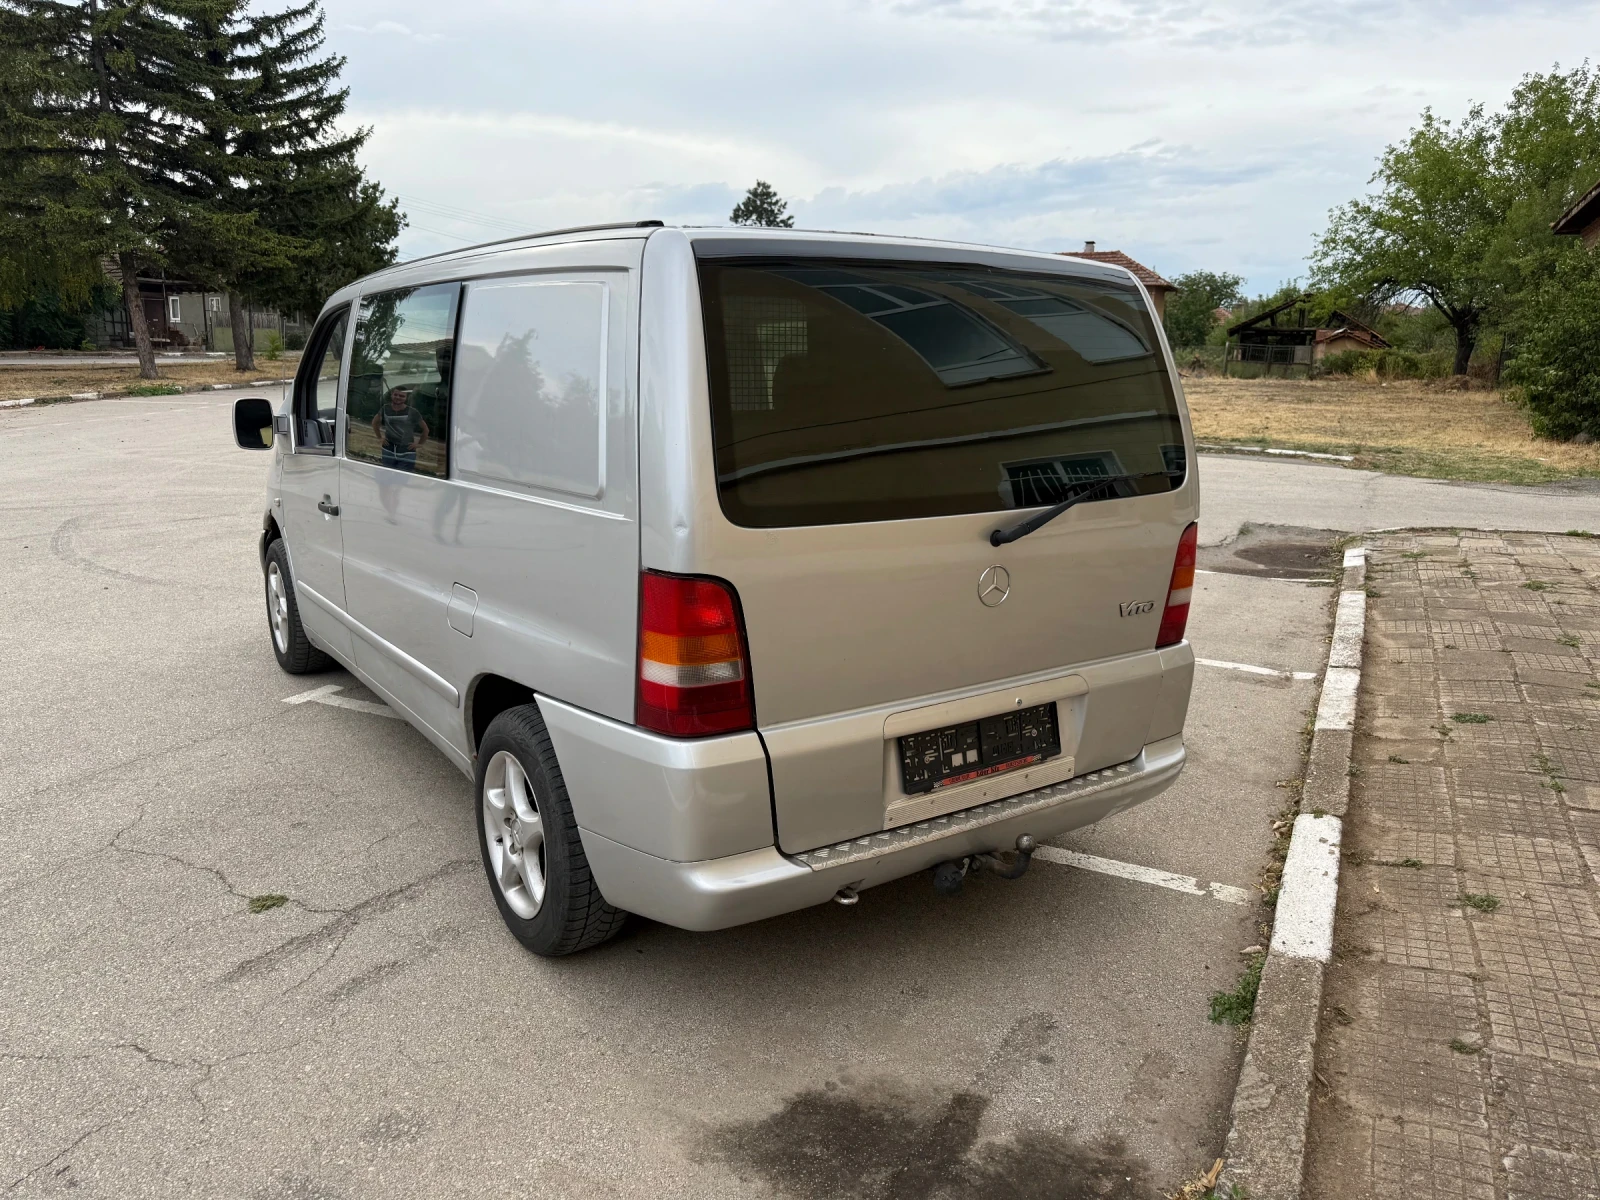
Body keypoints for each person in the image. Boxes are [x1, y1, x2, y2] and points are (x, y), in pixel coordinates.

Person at [373, 386, 428, 471]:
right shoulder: (385, 408)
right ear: (392, 395)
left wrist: (419, 444)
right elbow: (374, 423)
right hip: (388, 450)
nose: (398, 397)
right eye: (396, 394)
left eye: (402, 396)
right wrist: (380, 438)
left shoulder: (413, 412)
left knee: (402, 481)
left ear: (406, 398)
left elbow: (425, 430)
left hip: (407, 452)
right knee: (386, 478)